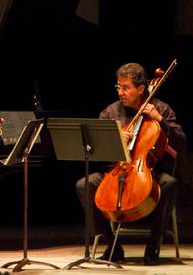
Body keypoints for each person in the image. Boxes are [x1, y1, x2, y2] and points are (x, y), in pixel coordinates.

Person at [75, 62, 187, 266]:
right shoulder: (110, 113)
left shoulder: (160, 108)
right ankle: (112, 246)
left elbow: (181, 144)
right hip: (114, 172)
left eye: (126, 87)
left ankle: (154, 246)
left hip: (149, 172)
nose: (121, 92)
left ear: (141, 89)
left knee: (169, 183)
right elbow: (95, 151)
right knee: (85, 184)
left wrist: (159, 120)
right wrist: (115, 142)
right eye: (118, 87)